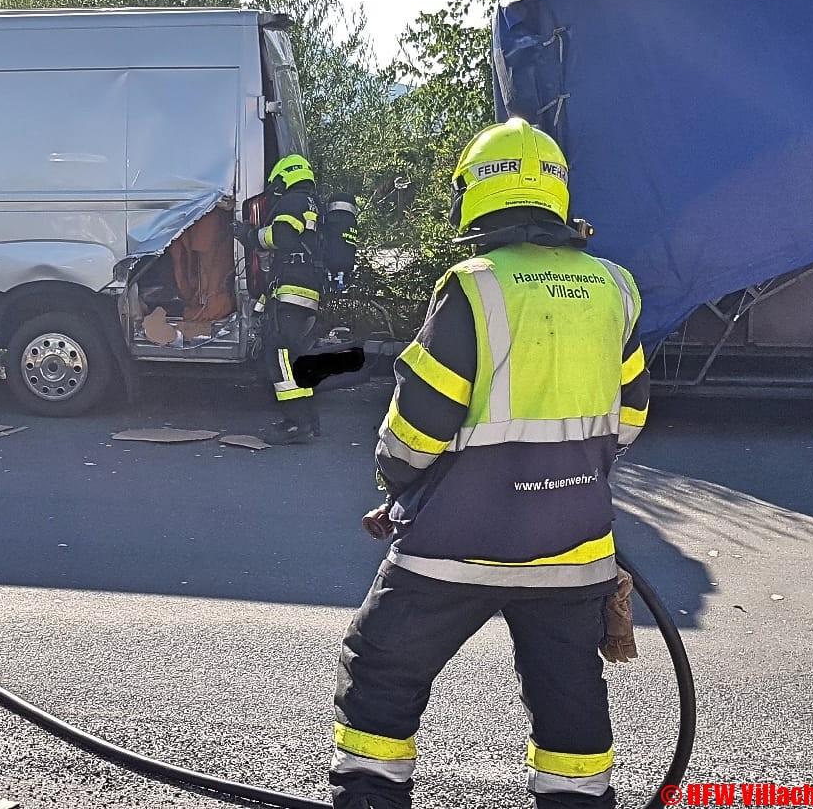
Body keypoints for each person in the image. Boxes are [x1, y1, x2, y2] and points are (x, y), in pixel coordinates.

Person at [329, 117, 649, 809]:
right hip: (574, 551)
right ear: (556, 197)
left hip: (453, 550)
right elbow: (628, 419)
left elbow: (416, 431)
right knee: (571, 711)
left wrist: (397, 488)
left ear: (474, 195)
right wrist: (567, 478)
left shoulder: (473, 287)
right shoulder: (614, 288)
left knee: (379, 676)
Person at [236, 153, 325, 444]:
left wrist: (249, 234)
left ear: (286, 176)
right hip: (303, 290)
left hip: (292, 292)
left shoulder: (293, 201)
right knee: (293, 359)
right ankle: (304, 421)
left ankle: (298, 425)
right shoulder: (312, 203)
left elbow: (282, 236)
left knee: (280, 359)